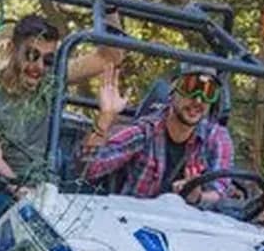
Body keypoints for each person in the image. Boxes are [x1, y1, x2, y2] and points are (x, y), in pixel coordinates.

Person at [0, 0, 123, 214]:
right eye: (31, 55)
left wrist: (108, 4)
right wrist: (28, 198)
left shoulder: (49, 82)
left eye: (48, 60)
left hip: (48, 188)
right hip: (3, 189)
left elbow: (110, 57)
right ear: (12, 50)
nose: (38, 67)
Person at [78, 63, 234, 205]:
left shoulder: (216, 137)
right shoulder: (144, 132)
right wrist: (106, 117)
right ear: (173, 92)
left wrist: (198, 197)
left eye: (209, 92)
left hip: (189, 224)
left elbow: (221, 189)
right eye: (190, 87)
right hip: (134, 219)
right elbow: (87, 170)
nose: (198, 100)